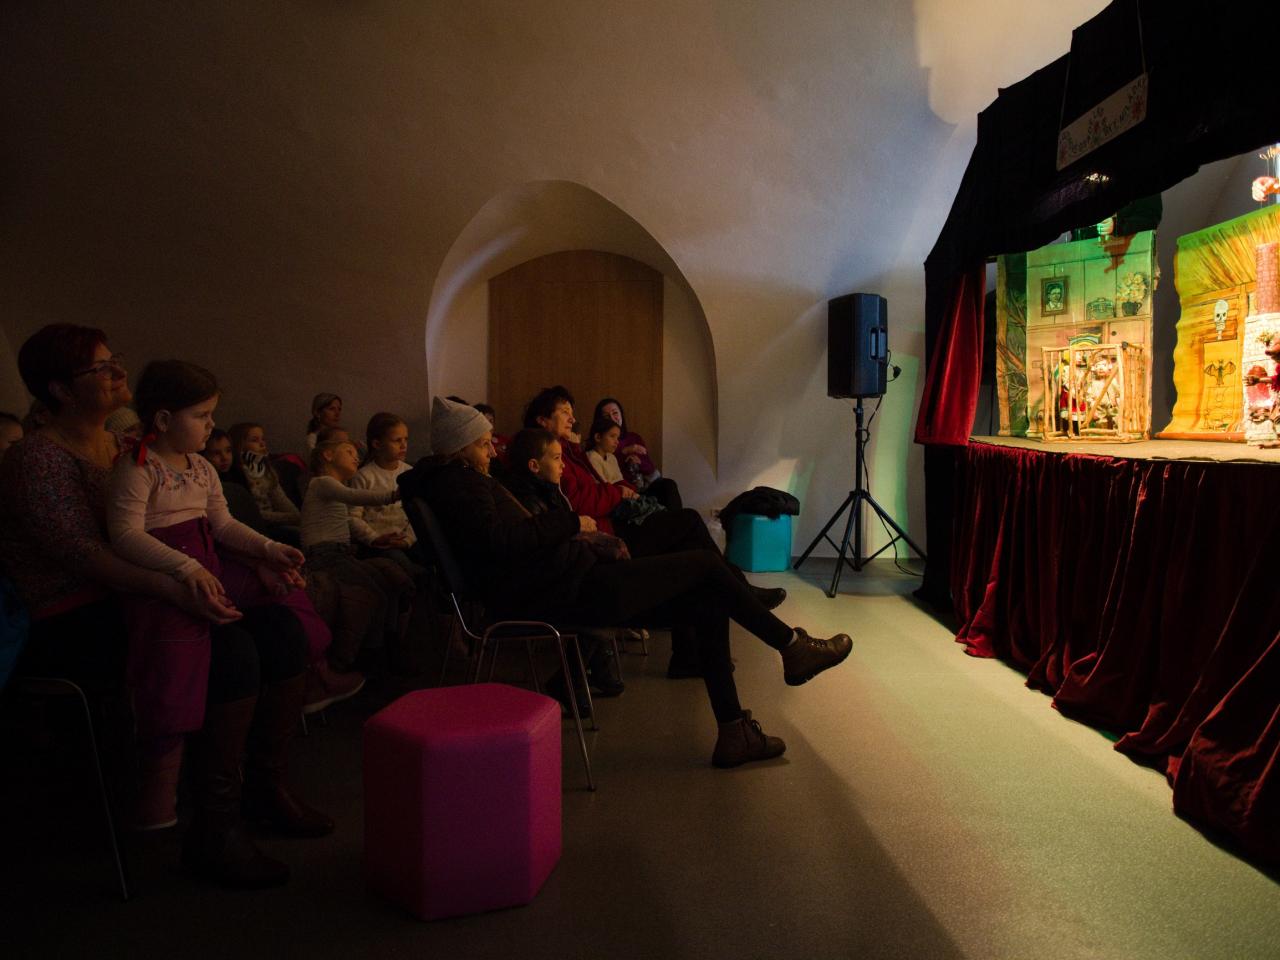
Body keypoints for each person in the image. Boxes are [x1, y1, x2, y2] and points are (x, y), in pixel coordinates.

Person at [402, 397, 853, 768]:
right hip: (564, 591)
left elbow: (508, 541)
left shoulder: (458, 482)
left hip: (563, 581)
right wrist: (570, 523)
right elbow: (503, 542)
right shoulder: (461, 485)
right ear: (459, 447)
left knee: (708, 597)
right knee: (704, 566)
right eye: (483, 444)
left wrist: (575, 533)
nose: (491, 452)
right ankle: (790, 647)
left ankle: (736, 730)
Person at [108, 359, 335, 886]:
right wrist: (184, 569)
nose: (212, 425)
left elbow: (224, 525)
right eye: (202, 415)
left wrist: (270, 548)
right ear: (163, 419)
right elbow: (124, 536)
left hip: (207, 574)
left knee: (283, 631)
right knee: (234, 653)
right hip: (163, 587)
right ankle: (214, 825)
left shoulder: (200, 468)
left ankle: (266, 788)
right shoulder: (137, 468)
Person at [302, 438, 412, 670]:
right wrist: (393, 496)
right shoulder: (322, 483)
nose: (357, 457)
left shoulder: (332, 488)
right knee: (375, 594)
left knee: (387, 584)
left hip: (339, 553)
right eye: (349, 451)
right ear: (328, 455)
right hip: (325, 555)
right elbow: (355, 496)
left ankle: (387, 646)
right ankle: (369, 657)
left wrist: (375, 538)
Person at [349, 412, 416, 558]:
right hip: (378, 544)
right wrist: (374, 538)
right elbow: (353, 517)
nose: (404, 445)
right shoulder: (364, 476)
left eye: (406, 439)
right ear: (377, 444)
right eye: (397, 440)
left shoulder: (409, 473)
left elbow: (416, 513)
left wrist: (408, 540)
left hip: (407, 541)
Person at [228, 422, 302, 531]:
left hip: (277, 522)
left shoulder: (266, 470)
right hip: (255, 527)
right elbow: (250, 512)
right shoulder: (236, 474)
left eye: (263, 439)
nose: (262, 444)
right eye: (254, 440)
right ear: (239, 445)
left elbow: (281, 501)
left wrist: (295, 516)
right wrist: (289, 517)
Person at [594, 397, 661, 490]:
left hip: (644, 483)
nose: (612, 419)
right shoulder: (600, 442)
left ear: (621, 415)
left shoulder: (634, 437)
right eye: (606, 416)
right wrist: (624, 452)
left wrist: (639, 462)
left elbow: (651, 469)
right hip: (620, 488)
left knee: (668, 485)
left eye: (615, 413)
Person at [584, 415, 625, 485]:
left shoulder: (612, 457)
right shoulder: (592, 458)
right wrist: (620, 489)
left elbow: (620, 480)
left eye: (617, 438)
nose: (617, 442)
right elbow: (601, 483)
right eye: (612, 436)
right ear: (598, 437)